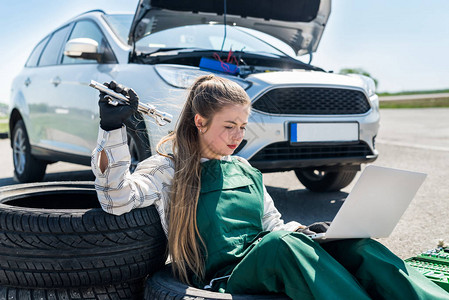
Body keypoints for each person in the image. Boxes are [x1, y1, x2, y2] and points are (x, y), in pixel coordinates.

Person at [91, 75, 448, 300]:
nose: (238, 137)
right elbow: (116, 198)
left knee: (356, 244)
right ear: (200, 122)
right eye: (229, 126)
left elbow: (274, 227)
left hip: (267, 257)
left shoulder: (245, 169)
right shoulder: (169, 168)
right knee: (281, 246)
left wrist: (312, 232)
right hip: (221, 278)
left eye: (243, 127)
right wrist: (112, 130)